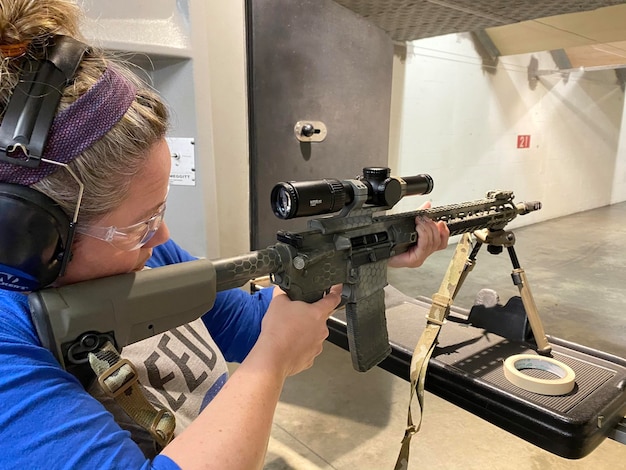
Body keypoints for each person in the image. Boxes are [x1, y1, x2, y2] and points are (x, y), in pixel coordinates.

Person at [0, 1, 450, 469]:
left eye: (160, 213)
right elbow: (265, 346)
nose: (163, 236)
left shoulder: (144, 257)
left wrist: (361, 257)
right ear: (26, 234)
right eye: (140, 224)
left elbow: (244, 326)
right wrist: (271, 364)